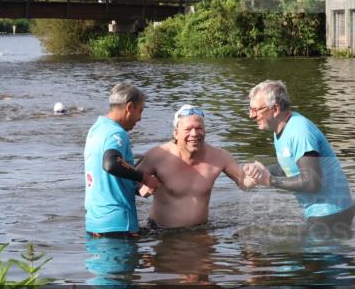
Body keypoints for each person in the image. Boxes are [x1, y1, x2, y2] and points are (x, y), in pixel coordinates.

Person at [243, 80, 355, 233]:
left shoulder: (299, 131)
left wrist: (269, 180)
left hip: (333, 214)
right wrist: (264, 171)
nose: (251, 115)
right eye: (250, 109)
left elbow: (311, 182)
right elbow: (292, 167)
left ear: (275, 108)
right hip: (324, 214)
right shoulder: (282, 129)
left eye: (256, 110)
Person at [137, 105, 249, 229]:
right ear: (176, 133)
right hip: (161, 232)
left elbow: (245, 183)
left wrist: (256, 174)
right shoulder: (158, 155)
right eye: (188, 129)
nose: (194, 134)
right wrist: (140, 188)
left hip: (200, 231)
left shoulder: (220, 157)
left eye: (199, 128)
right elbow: (128, 181)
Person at [84, 81, 159, 237]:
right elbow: (111, 164)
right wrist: (144, 178)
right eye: (140, 111)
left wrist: (136, 189)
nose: (139, 118)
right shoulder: (116, 133)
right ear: (129, 108)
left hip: (94, 224)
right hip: (118, 224)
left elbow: (106, 176)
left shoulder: (96, 129)